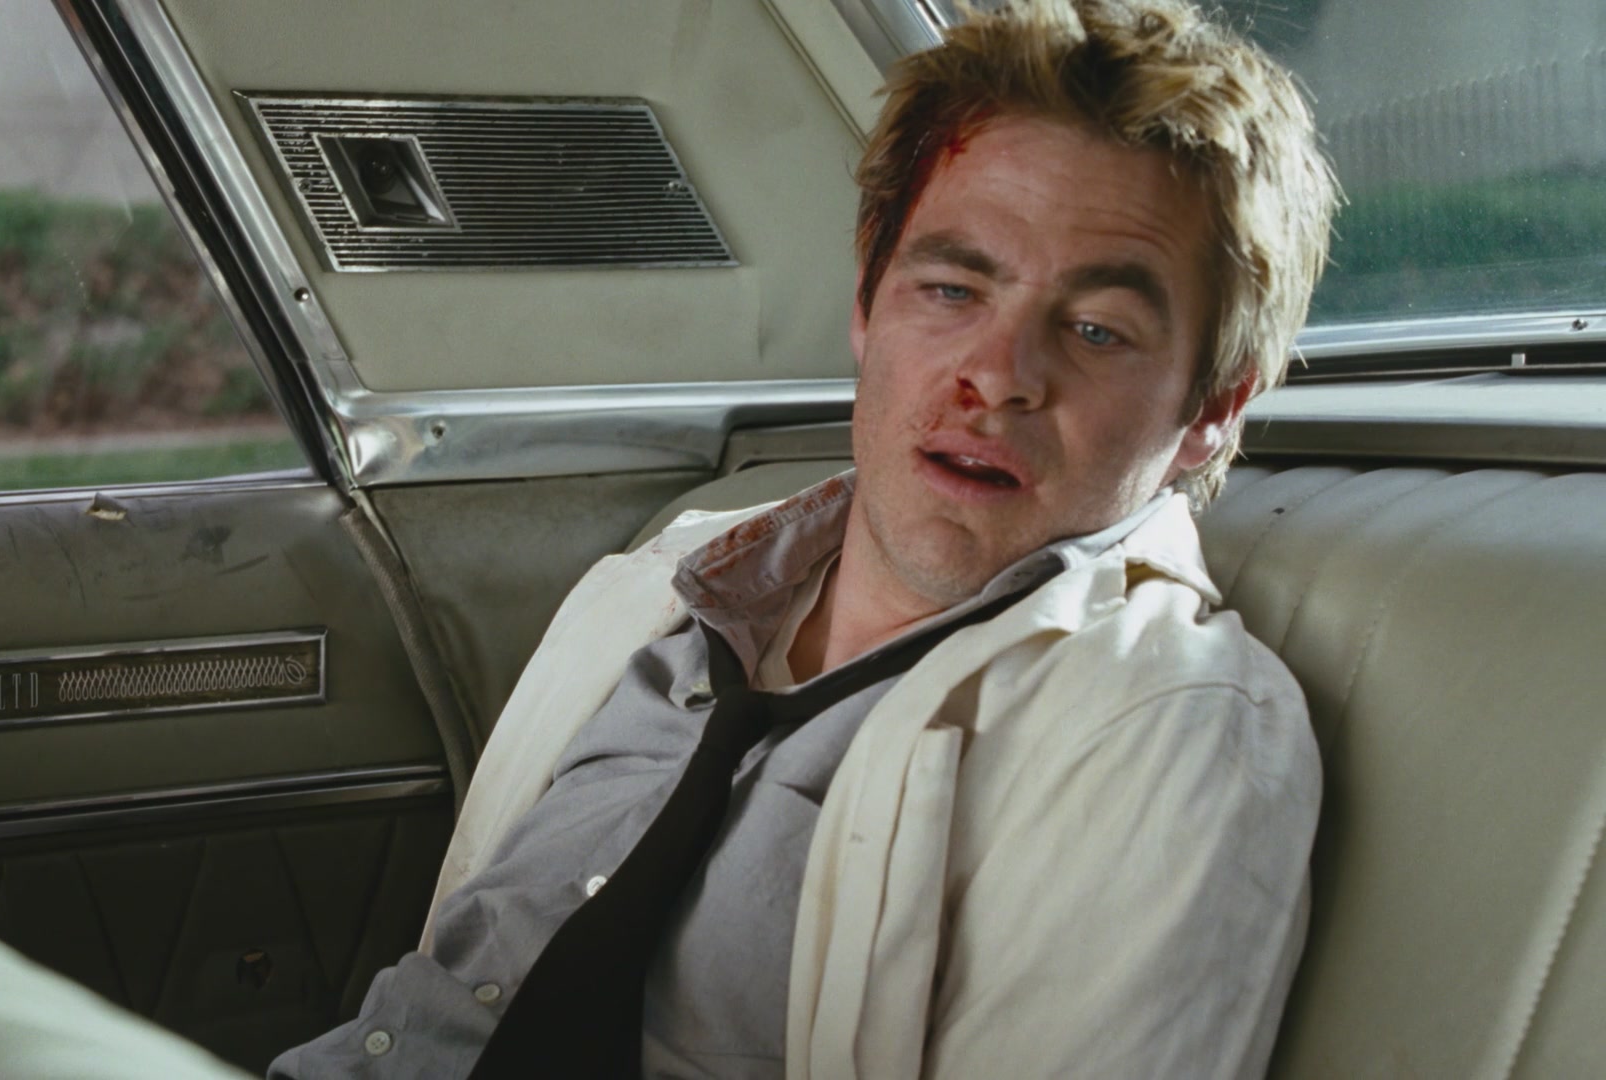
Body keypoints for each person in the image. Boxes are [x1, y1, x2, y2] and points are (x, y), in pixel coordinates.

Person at [272, 0, 1339, 1075]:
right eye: (952, 288)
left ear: (1212, 407)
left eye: (1098, 330)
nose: (998, 375)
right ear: (868, 300)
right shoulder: (667, 581)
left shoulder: (1169, 724)